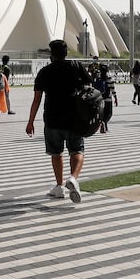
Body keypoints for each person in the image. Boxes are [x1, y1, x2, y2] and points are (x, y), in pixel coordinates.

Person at [26, 39, 92, 203]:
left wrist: (30, 121)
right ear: (66, 53)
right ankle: (73, 178)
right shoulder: (76, 67)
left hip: (52, 118)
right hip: (74, 117)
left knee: (56, 153)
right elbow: (89, 86)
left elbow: (37, 99)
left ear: (51, 54)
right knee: (77, 150)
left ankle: (58, 186)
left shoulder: (44, 72)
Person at [94, 64, 118, 133]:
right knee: (109, 113)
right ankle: (104, 124)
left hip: (100, 98)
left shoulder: (98, 77)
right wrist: (115, 97)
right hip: (108, 99)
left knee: (102, 113)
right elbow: (112, 88)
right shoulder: (109, 77)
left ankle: (104, 125)